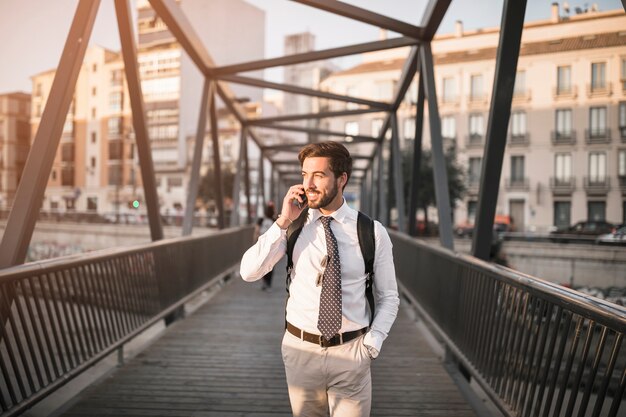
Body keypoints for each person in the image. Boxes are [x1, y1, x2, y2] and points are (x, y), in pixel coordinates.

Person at [240, 141, 399, 417]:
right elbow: (249, 272)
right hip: (300, 352)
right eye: (304, 175)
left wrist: (372, 344)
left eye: (319, 175)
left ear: (341, 179)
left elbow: (389, 297)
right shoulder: (293, 228)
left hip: (351, 353)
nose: (308, 184)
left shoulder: (372, 232)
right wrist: (282, 221)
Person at [255, 202, 276, 291]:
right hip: (272, 246)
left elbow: (256, 232)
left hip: (262, 245)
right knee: (271, 264)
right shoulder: (274, 220)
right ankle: (268, 284)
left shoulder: (261, 220)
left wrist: (255, 243)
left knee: (262, 263)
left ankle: (264, 282)